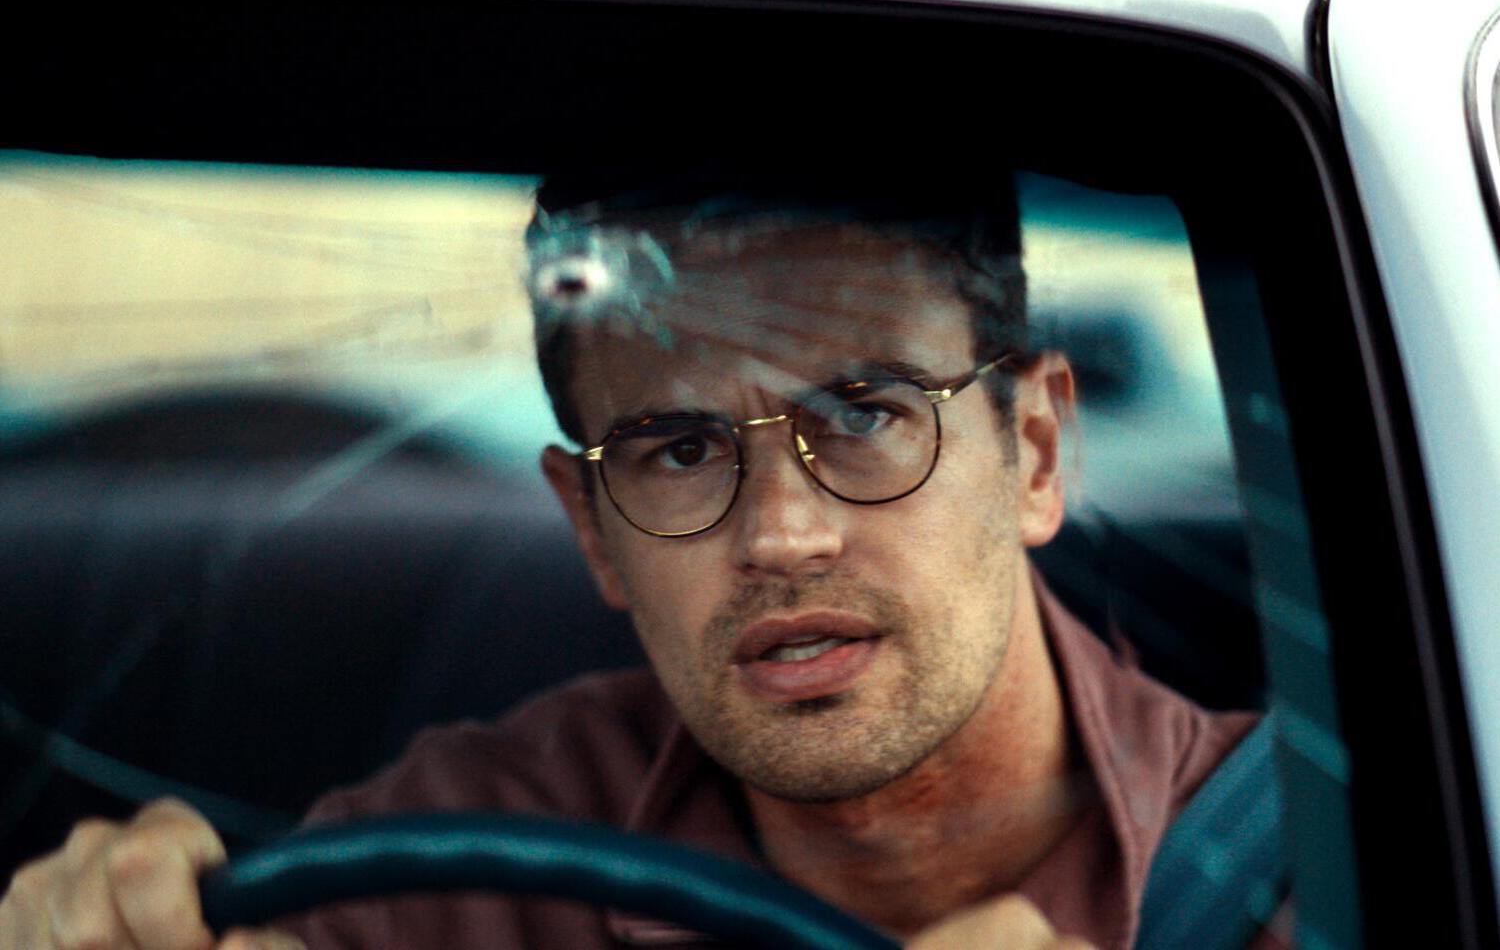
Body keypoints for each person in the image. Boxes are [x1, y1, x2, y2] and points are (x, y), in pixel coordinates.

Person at [0, 166, 1262, 950]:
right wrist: (116, 922)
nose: (783, 536)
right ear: (594, 530)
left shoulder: (1301, 873)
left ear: (1033, 450)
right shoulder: (465, 865)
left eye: (866, 415)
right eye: (679, 451)